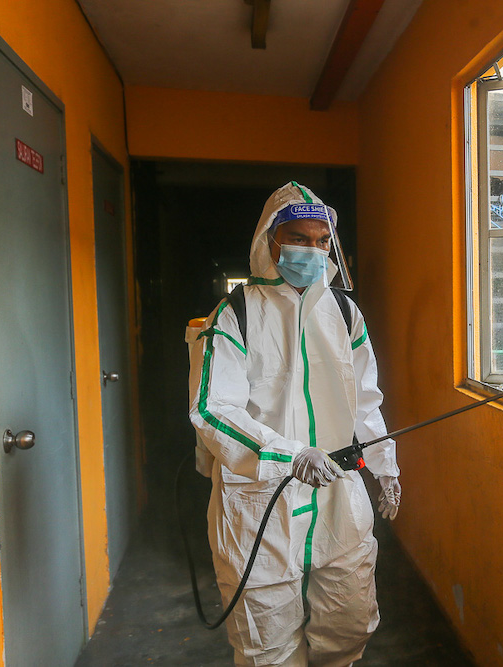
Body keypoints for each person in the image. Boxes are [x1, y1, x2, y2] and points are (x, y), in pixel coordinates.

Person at [188, 181, 401, 667]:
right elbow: (213, 409)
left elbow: (365, 400)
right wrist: (289, 454)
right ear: (270, 241)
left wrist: (385, 467)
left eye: (321, 240)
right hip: (260, 500)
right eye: (299, 238)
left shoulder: (344, 313)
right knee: (266, 643)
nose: (312, 250)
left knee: (349, 621)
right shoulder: (236, 314)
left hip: (336, 492)